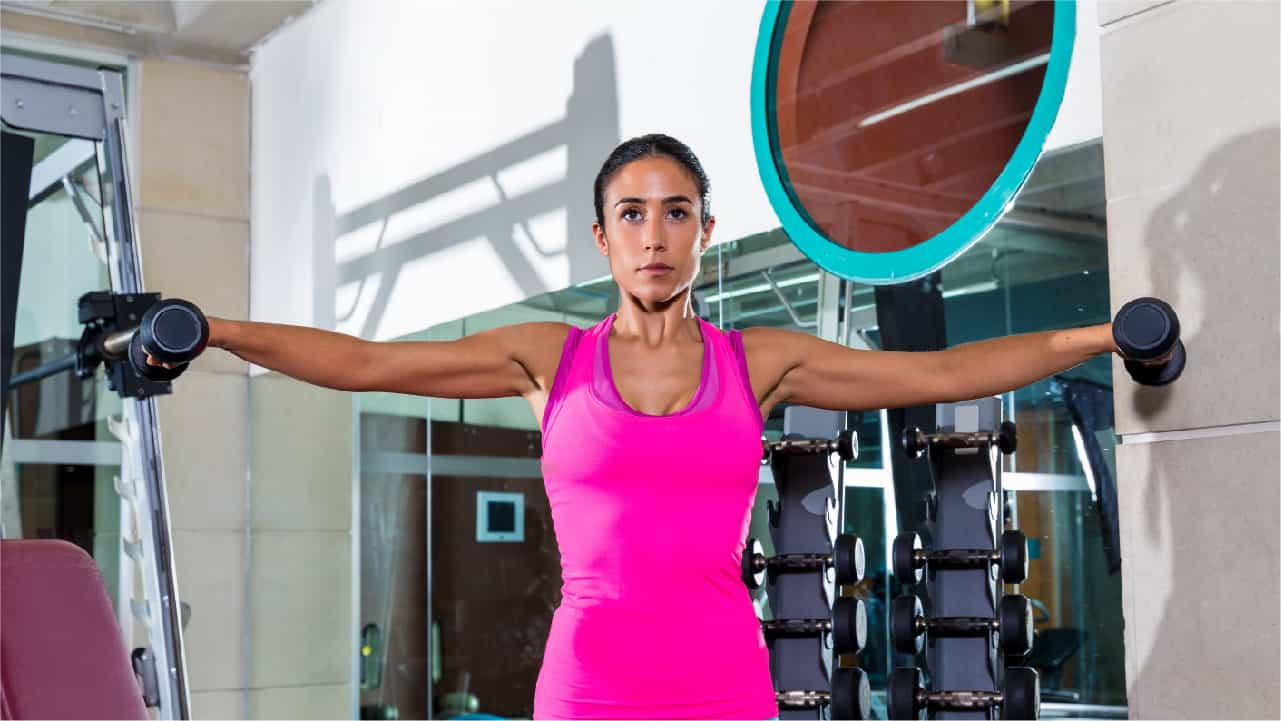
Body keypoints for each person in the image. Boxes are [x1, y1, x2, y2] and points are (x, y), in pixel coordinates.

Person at [150, 134, 1136, 719]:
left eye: (676, 213)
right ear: (602, 236)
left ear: (705, 231)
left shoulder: (758, 362)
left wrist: (1106, 332)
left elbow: (945, 370)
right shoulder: (550, 357)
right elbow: (363, 361)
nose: (654, 234)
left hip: (721, 677)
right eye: (631, 214)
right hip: (590, 683)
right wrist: (212, 329)